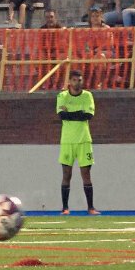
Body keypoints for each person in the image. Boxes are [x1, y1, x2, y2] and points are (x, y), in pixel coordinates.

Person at [58, 69, 100, 216]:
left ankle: (91, 207)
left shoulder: (88, 96)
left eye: (80, 80)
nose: (77, 82)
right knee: (66, 174)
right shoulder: (62, 96)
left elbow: (88, 115)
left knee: (86, 174)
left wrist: (71, 114)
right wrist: (77, 113)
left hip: (84, 140)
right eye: (75, 80)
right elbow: (61, 115)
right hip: (67, 141)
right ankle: (65, 208)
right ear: (69, 82)